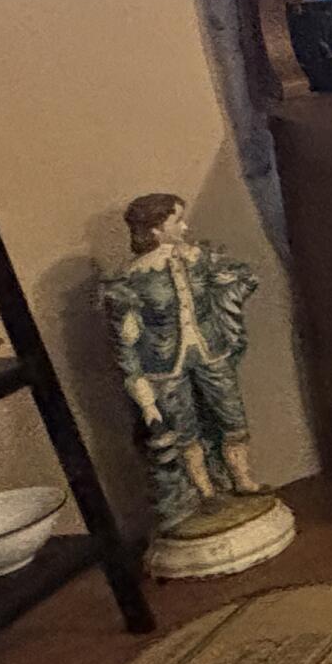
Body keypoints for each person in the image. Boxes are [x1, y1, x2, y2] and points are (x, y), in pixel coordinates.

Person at [102, 194, 263, 535]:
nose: (185, 226)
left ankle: (243, 480)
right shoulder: (134, 279)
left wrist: (230, 292)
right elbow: (128, 340)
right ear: (157, 230)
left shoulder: (199, 259)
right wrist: (144, 395)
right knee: (183, 425)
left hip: (211, 351)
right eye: (177, 221)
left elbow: (239, 281)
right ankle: (204, 492)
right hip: (164, 364)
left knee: (231, 413)